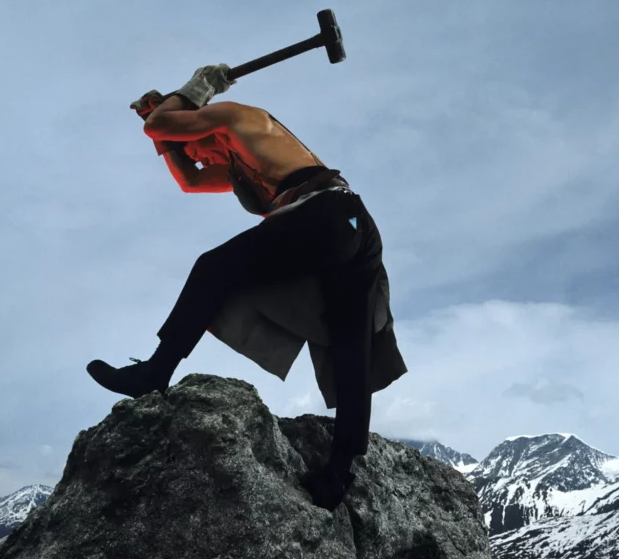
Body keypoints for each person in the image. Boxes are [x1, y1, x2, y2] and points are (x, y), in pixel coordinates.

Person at [87, 64, 407, 510]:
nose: (198, 155)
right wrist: (161, 135)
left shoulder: (242, 118)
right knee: (347, 341)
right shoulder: (237, 161)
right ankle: (339, 471)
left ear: (200, 119)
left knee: (214, 267)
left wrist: (197, 88)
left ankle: (153, 373)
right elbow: (191, 181)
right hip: (351, 225)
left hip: (329, 214)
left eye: (191, 140)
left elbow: (169, 125)